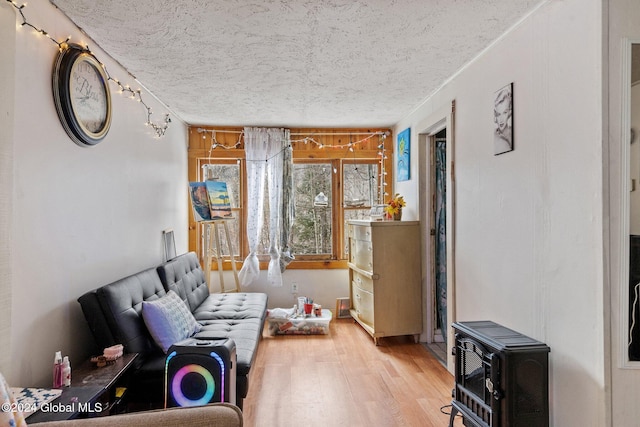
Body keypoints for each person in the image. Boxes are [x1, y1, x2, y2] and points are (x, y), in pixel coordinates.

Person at [494, 85, 513, 154]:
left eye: (504, 112)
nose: (501, 119)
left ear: (509, 113)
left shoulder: (512, 134)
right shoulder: (494, 136)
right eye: (498, 114)